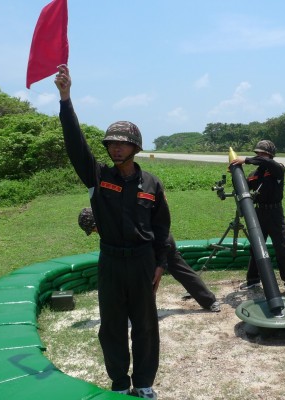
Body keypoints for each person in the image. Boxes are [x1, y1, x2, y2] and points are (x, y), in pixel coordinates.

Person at [55, 65, 169, 399]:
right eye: (111, 144)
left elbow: (161, 226)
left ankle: (144, 382)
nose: (115, 149)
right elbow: (76, 145)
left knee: (146, 326)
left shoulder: (152, 184)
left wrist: (160, 263)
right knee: (112, 326)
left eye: (122, 144)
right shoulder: (98, 177)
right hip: (111, 262)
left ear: (134, 147)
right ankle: (119, 382)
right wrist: (66, 99)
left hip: (143, 261)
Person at [78, 207, 220, 312]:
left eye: (94, 229)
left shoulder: (119, 221)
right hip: (157, 241)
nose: (96, 232)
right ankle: (209, 301)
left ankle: (145, 312)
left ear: (97, 222)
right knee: (180, 271)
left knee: (151, 277)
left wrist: (160, 260)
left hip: (159, 243)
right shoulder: (114, 219)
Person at [230, 140, 285, 297]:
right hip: (259, 213)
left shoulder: (278, 168)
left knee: (281, 248)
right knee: (256, 246)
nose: (259, 156)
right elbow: (243, 187)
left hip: (275, 213)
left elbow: (266, 162)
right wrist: (235, 174)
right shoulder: (255, 174)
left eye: (262, 153)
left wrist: (245, 160)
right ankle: (253, 279)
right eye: (257, 153)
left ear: (270, 155)